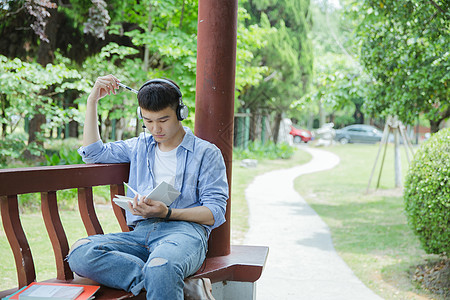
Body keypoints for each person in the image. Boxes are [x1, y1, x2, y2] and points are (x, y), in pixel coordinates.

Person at [67, 74, 228, 299]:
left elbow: (215, 212)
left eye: (163, 120)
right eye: (148, 121)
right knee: (80, 252)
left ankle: (163, 274)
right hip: (141, 233)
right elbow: (93, 153)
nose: (155, 129)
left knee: (162, 265)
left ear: (181, 113)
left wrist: (168, 212)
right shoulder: (139, 147)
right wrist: (92, 101)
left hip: (185, 233)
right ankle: (171, 282)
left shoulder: (206, 153)